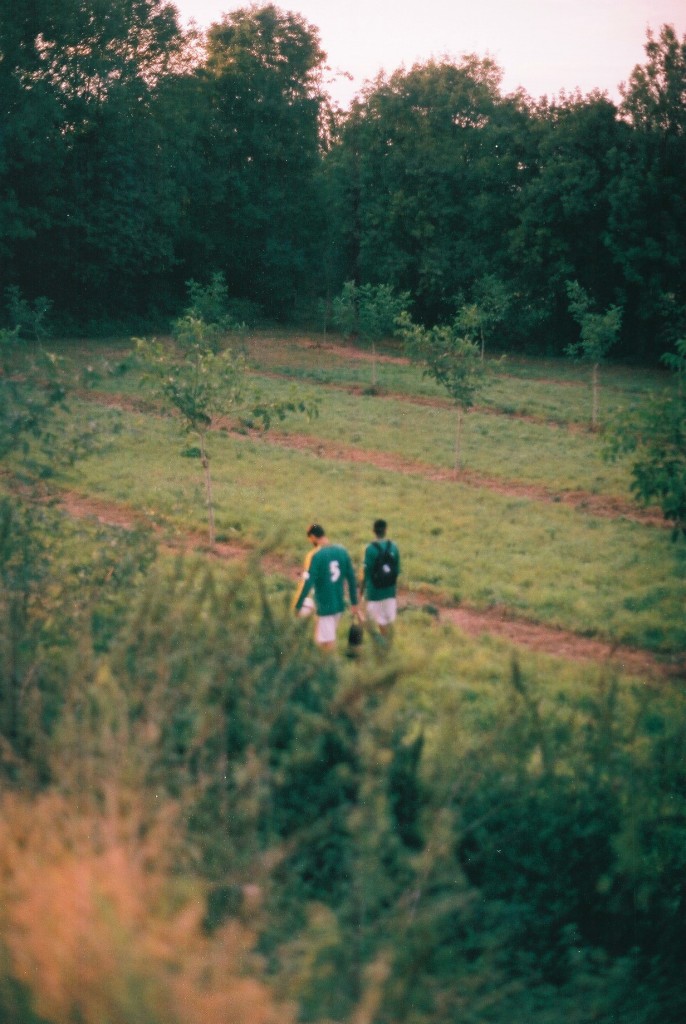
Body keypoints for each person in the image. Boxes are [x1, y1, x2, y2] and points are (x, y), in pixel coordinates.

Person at [294, 524, 362, 651]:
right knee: (322, 640)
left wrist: (298, 605)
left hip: (325, 606)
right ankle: (323, 666)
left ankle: (329, 668)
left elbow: (308, 583)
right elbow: (352, 579)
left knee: (327, 644)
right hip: (338, 604)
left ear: (313, 537)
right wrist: (354, 602)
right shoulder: (342, 551)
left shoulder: (317, 556)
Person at [361, 518, 400, 637]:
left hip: (374, 592)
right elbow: (397, 570)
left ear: (373, 531)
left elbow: (366, 573)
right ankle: (385, 644)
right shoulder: (393, 547)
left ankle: (380, 645)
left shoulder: (370, 549)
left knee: (366, 621)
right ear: (386, 530)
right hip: (390, 591)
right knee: (386, 622)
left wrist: (361, 593)